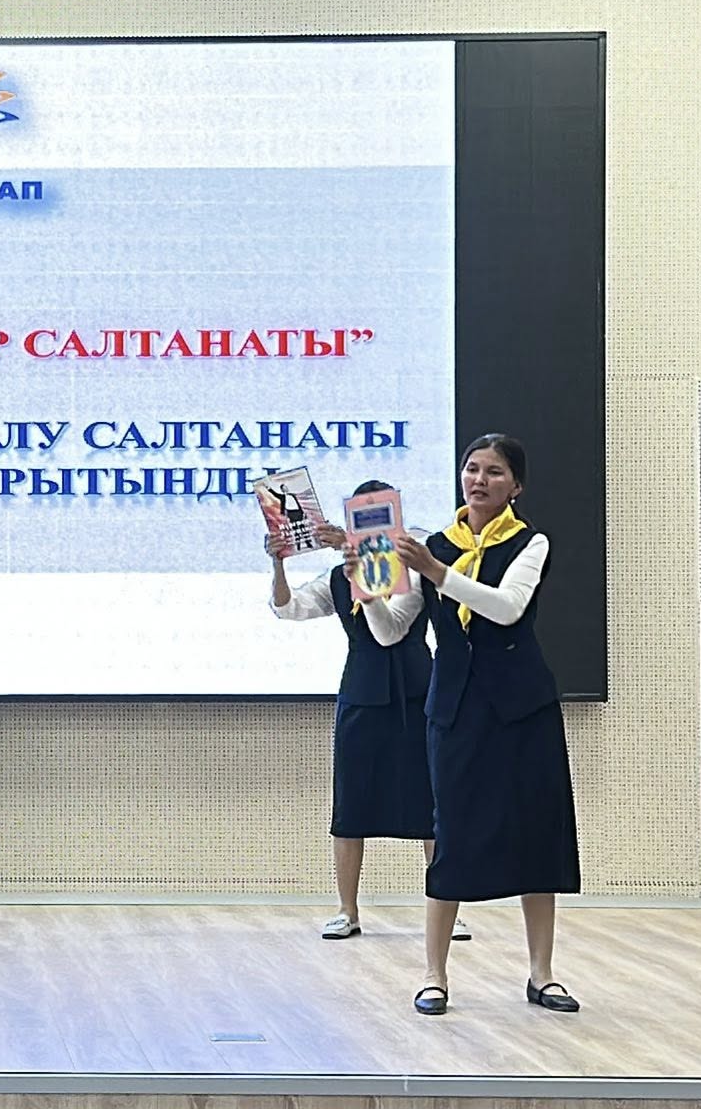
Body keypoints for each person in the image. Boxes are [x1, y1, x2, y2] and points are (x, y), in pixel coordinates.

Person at [395, 435, 581, 1016]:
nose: (479, 480)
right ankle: (434, 975)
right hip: (455, 709)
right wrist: (366, 586)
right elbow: (392, 628)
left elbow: (505, 607)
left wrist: (436, 572)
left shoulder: (531, 542)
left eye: (494, 472)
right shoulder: (433, 546)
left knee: (537, 834)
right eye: (471, 469)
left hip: (523, 709)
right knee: (450, 835)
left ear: (515, 486)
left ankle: (542, 974)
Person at [268, 485, 466, 944]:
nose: (374, 527)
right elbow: (287, 607)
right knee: (351, 804)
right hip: (361, 694)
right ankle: (347, 910)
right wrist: (278, 563)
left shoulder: (414, 564)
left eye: (382, 517)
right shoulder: (339, 576)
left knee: (431, 802)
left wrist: (355, 551)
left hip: (417, 692)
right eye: (364, 518)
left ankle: (446, 905)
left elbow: (391, 630)